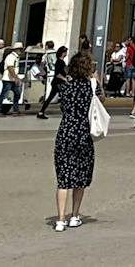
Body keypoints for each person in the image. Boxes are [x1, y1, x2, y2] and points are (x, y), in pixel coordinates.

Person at [51, 50, 97, 231]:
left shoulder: (65, 87)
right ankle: (75, 215)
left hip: (66, 131)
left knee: (63, 179)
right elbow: (100, 100)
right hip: (83, 133)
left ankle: (60, 219)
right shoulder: (91, 87)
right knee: (80, 176)